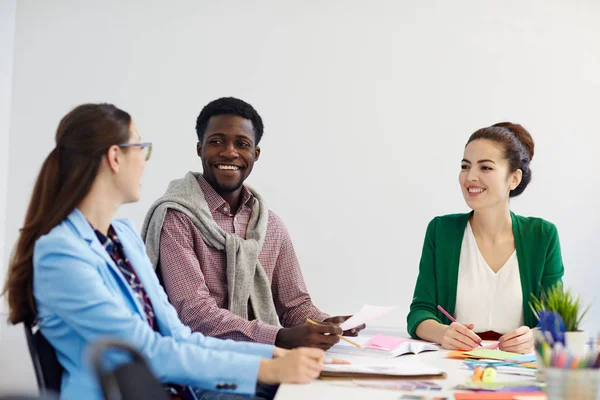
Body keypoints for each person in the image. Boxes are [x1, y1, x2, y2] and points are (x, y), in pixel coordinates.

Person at [2, 103, 338, 400]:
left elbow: (179, 336)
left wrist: (273, 355)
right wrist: (267, 369)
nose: (145, 164)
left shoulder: (124, 236)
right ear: (115, 157)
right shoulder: (61, 254)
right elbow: (144, 351)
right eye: (141, 149)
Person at [142, 97, 364, 350]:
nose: (229, 152)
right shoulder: (176, 218)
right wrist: (278, 337)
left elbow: (294, 306)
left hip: (267, 362)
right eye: (216, 142)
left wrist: (326, 324)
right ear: (199, 149)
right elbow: (194, 314)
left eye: (242, 144)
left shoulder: (270, 225)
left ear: (255, 154)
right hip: (203, 368)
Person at [407, 122, 564, 354]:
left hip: (517, 367)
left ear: (514, 179)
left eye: (486, 168)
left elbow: (558, 320)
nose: (470, 177)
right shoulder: (441, 230)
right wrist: (443, 333)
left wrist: (535, 337)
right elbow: (420, 312)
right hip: (453, 362)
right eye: (465, 166)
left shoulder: (542, 235)